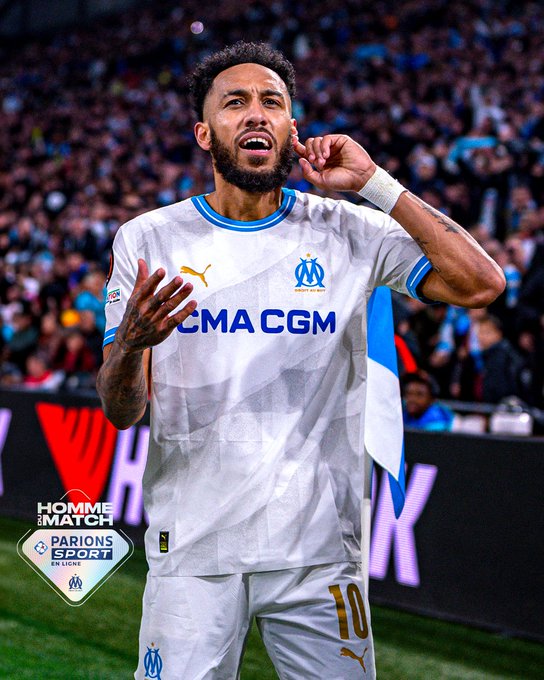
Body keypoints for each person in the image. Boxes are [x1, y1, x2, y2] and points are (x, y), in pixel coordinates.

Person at [96, 42, 504, 680]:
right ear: (204, 133)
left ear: (292, 127)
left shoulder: (349, 229)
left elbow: (482, 284)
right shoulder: (149, 238)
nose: (255, 113)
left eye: (272, 102)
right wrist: (130, 343)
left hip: (320, 556)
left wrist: (375, 185)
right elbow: (122, 412)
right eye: (235, 102)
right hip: (193, 552)